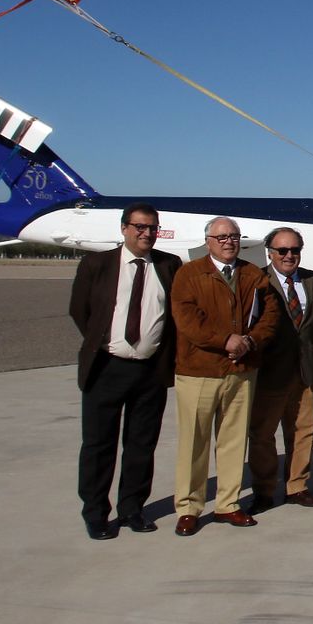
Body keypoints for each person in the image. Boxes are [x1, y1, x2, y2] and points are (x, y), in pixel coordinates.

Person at [69, 202, 181, 539]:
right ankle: (95, 513)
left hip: (150, 370)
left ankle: (132, 508)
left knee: (141, 445)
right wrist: (105, 341)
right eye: (139, 227)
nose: (146, 233)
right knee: (98, 445)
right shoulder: (97, 264)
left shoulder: (169, 265)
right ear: (124, 228)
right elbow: (80, 310)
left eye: (152, 228)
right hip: (106, 367)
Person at [169, 216, 279, 535]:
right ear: (208, 242)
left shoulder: (253, 274)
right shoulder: (189, 274)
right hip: (199, 370)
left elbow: (269, 316)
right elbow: (187, 319)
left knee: (233, 440)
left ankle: (227, 504)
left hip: (241, 371)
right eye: (222, 237)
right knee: (194, 442)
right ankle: (189, 507)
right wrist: (225, 340)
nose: (229, 242)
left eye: (234, 236)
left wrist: (250, 342)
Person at [248, 227, 313, 513]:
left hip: (305, 370)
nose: (289, 255)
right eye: (282, 250)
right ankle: (264, 490)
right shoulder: (257, 280)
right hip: (270, 372)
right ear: (270, 253)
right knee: (262, 435)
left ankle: (297, 486)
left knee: (303, 431)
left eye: (294, 250)